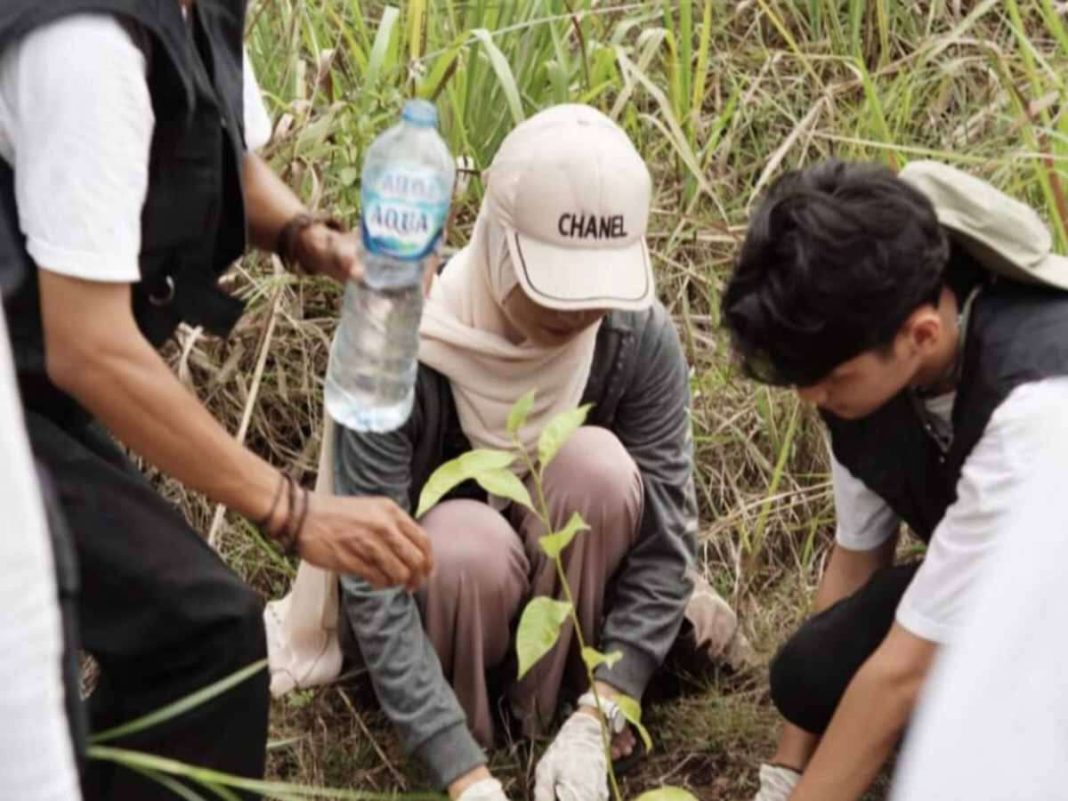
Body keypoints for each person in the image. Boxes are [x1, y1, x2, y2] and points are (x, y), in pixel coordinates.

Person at [0, 2, 432, 799]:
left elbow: (225, 153)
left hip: (36, 374)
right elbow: (89, 344)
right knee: (201, 634)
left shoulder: (191, 13)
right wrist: (298, 513)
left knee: (182, 636)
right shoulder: (87, 49)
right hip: (28, 378)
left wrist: (313, 239)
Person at [332, 104, 745, 801]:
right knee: (464, 547)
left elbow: (666, 541)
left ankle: (556, 718)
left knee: (598, 469)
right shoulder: (398, 340)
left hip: (577, 631)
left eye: (595, 291)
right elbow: (371, 573)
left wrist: (606, 707)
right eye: (555, 287)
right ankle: (471, 742)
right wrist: (462, 775)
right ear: (497, 242)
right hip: (446, 614)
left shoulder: (635, 338)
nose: (578, 314)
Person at [720, 159, 1068, 801]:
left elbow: (904, 670)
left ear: (921, 335)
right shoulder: (859, 377)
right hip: (1006, 579)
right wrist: (787, 768)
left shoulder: (1036, 399)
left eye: (827, 379)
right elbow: (857, 561)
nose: (809, 396)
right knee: (812, 673)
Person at [889, 425, 1068, 801]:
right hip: (980, 586)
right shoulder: (872, 421)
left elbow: (902, 672)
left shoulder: (1025, 408)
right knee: (810, 670)